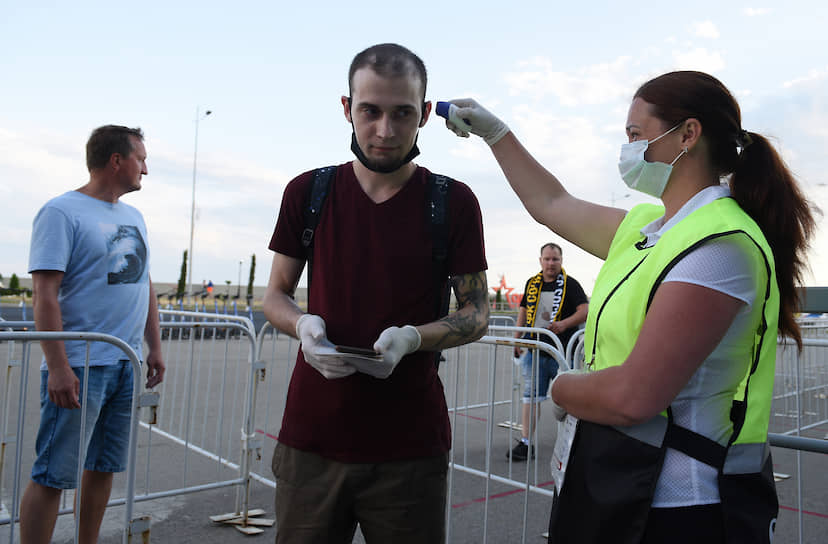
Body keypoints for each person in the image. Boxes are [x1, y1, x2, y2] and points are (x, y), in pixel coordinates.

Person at [442, 71, 817, 544]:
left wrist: (561, 388)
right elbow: (551, 201)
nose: (628, 149)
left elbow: (633, 396)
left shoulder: (719, 245)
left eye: (635, 135)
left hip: (676, 502)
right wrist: (496, 134)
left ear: (688, 134)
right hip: (615, 477)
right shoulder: (649, 228)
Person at [263, 43, 489, 543]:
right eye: (370, 111)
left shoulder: (451, 202)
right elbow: (276, 294)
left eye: (402, 113)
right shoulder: (309, 192)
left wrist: (413, 337)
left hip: (410, 450)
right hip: (312, 442)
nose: (385, 131)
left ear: (425, 115)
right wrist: (302, 324)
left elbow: (477, 313)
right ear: (347, 108)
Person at [19, 125, 166, 544]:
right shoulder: (61, 212)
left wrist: (154, 346)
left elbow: (144, 284)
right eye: (141, 158)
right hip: (82, 365)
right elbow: (45, 293)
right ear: (116, 161)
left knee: (103, 467)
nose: (146, 169)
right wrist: (58, 366)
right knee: (53, 474)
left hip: (125, 363)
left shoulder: (133, 216)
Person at [508, 242, 588, 461]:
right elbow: (523, 312)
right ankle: (525, 443)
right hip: (535, 351)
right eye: (547, 259)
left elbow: (585, 310)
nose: (551, 263)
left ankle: (573, 444)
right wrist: (517, 340)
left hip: (562, 353)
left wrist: (563, 324)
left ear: (561, 261)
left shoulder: (570, 285)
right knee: (531, 397)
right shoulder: (532, 284)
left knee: (569, 400)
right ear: (540, 260)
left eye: (555, 259)